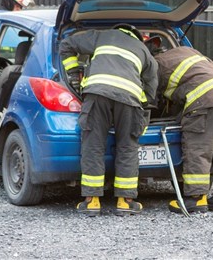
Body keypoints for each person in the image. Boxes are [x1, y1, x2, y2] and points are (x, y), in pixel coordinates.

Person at [59, 24, 158, 216]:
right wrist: (142, 105)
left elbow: (66, 45)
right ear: (138, 37)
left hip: (97, 94)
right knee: (127, 147)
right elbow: (151, 91)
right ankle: (125, 201)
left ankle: (92, 201)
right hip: (129, 100)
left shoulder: (101, 35)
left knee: (93, 145)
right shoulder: (144, 51)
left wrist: (74, 75)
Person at [145, 37, 213, 213]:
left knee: (198, 147)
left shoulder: (154, 65)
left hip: (203, 99)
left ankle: (196, 198)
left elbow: (152, 99)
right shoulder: (186, 50)